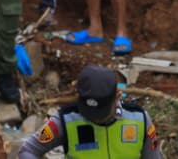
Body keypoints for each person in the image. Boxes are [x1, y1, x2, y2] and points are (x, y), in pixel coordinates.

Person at [17, 65, 163, 159]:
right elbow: (29, 150)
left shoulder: (139, 119)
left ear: (117, 97)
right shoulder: (66, 120)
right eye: (88, 111)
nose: (94, 119)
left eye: (101, 112)